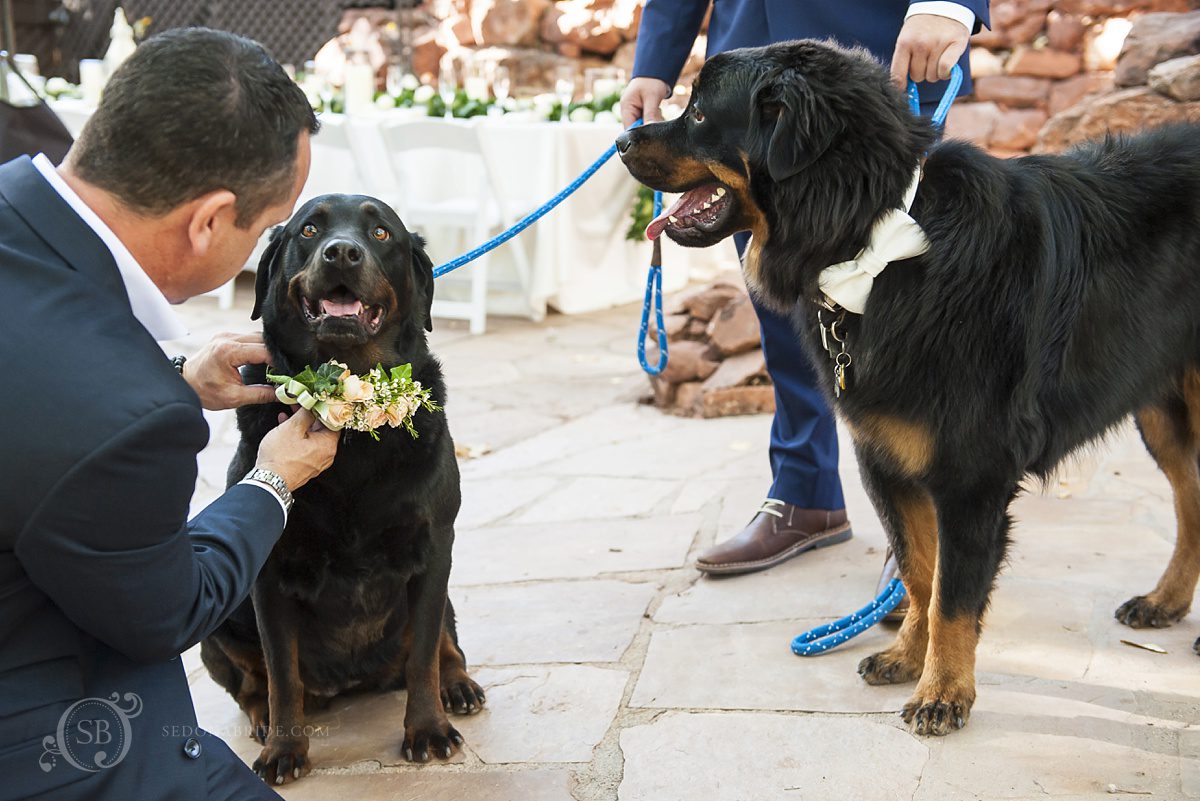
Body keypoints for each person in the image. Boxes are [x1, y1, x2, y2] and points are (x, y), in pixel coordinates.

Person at [0, 28, 341, 801]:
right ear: (209, 220)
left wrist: (172, 370)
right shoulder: (124, 421)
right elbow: (165, 609)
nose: (257, 249)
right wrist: (272, 482)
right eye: (263, 231)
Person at [622, 1, 988, 598]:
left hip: (874, 59)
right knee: (783, 303)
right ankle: (804, 494)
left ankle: (930, 527)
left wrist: (950, 5)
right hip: (746, 69)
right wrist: (654, 62)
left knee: (914, 306)